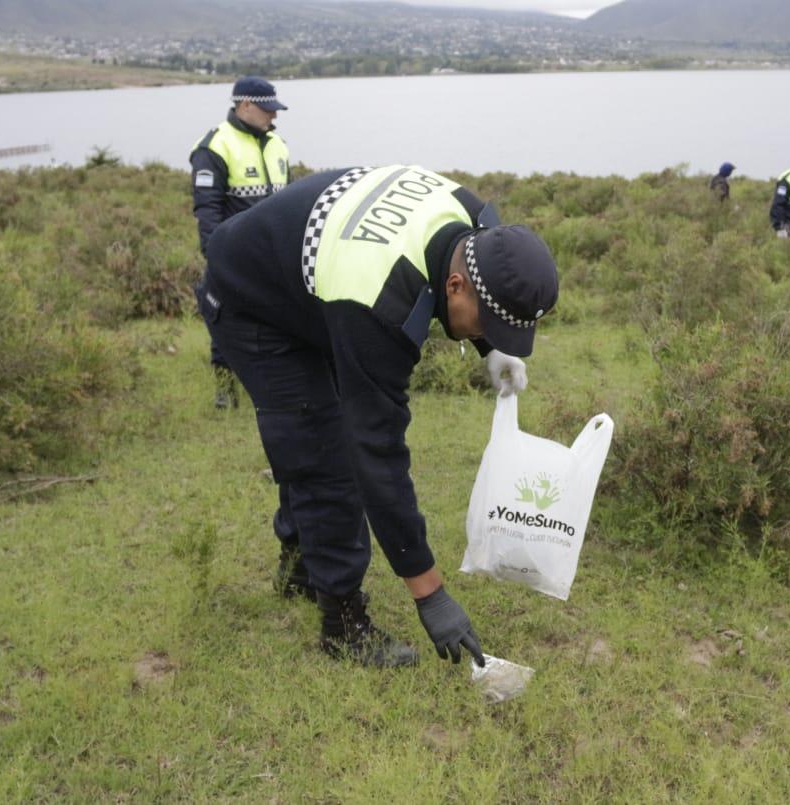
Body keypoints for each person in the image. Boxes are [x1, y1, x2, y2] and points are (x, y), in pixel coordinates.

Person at [195, 165, 559, 668]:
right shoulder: (378, 301)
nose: (493, 333)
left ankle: (300, 567)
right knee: (326, 457)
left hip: (307, 279)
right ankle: (342, 624)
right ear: (455, 285)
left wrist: (486, 346)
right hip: (249, 299)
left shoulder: (475, 219)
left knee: (314, 439)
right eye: (490, 322)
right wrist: (430, 594)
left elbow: (467, 295)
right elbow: (378, 455)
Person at [190, 76, 291, 409]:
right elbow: (208, 209)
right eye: (266, 110)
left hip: (274, 256)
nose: (272, 117)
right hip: (233, 256)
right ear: (244, 105)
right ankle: (224, 390)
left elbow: (288, 201)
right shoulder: (215, 146)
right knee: (225, 322)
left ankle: (271, 388)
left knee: (278, 324)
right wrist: (216, 255)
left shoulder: (278, 145)